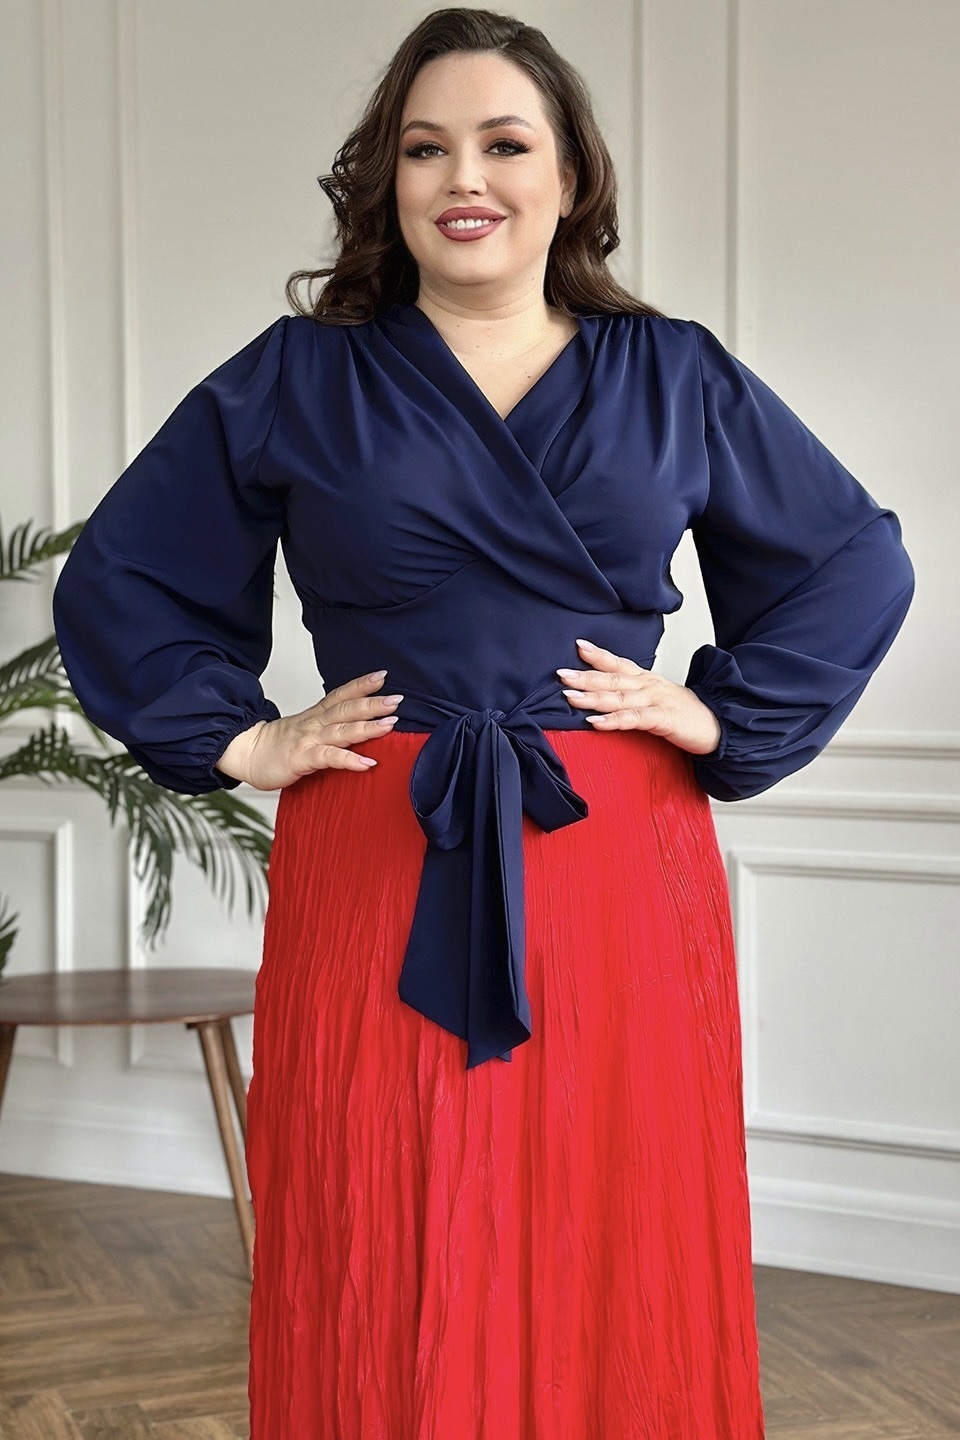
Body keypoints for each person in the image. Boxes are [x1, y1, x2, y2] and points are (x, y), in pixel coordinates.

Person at [52, 8, 914, 1438]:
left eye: (506, 143)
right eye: (425, 147)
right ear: (385, 181)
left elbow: (852, 559)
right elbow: (125, 575)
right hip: (377, 843)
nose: (466, 177)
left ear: (569, 175)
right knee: (379, 1203)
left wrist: (716, 712)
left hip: (614, 853)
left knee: (612, 1209)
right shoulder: (299, 374)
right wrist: (242, 738)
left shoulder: (674, 372)